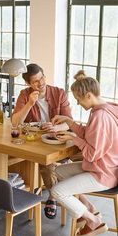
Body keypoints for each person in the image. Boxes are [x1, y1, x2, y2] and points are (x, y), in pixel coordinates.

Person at [51, 70, 118, 236]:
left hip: (102, 173)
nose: (78, 103)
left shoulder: (100, 117)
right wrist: (69, 121)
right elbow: (89, 134)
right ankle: (88, 208)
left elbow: (92, 154)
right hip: (104, 167)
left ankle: (94, 221)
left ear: (88, 95)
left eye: (78, 99)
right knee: (59, 172)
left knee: (57, 191)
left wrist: (74, 139)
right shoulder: (104, 109)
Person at [11, 63, 72, 219]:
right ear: (28, 84)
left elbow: (69, 122)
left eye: (42, 78)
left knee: (48, 163)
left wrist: (56, 128)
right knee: (44, 162)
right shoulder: (25, 95)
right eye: (35, 81)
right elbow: (15, 122)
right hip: (36, 141)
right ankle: (56, 195)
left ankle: (53, 197)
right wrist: (30, 104)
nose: (41, 83)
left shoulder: (59, 93)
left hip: (58, 138)